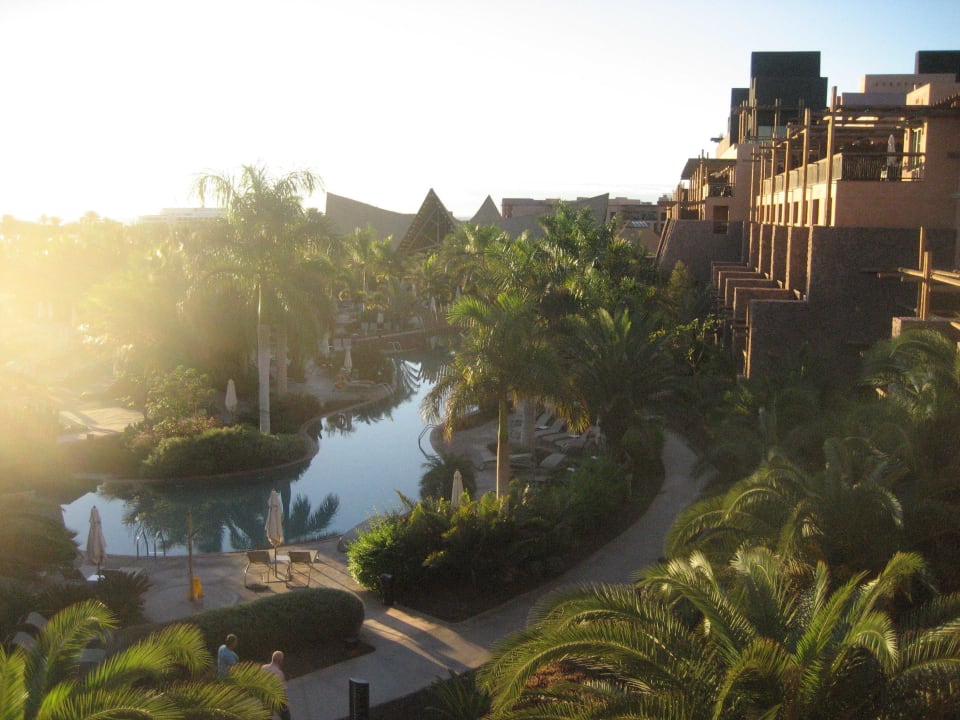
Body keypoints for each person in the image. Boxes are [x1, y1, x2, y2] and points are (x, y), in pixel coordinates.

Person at [261, 650, 291, 720]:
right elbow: (282, 691)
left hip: (265, 697)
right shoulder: (279, 673)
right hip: (275, 697)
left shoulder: (263, 668)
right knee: (286, 716)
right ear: (280, 661)